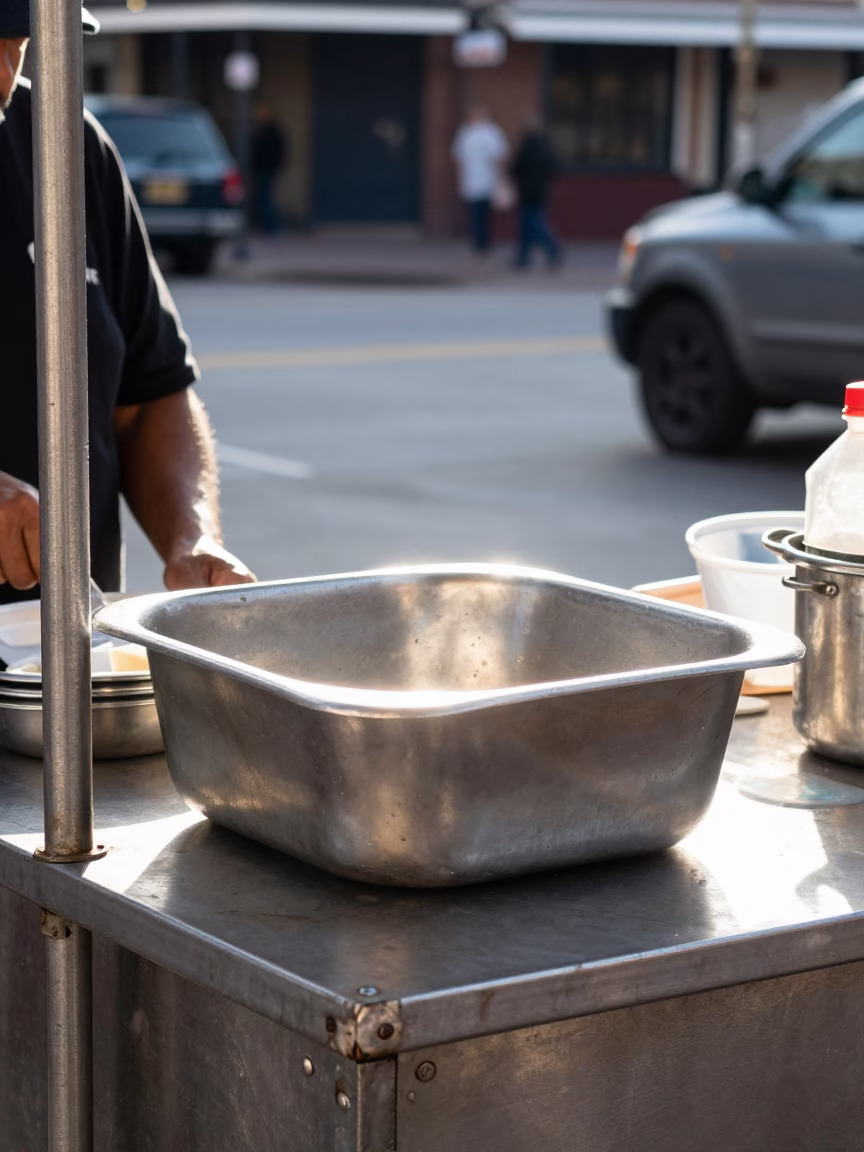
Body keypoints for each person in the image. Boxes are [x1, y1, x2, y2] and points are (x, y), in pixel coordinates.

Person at [0, 6, 255, 605]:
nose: (2, 73)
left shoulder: (68, 150)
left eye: (16, 42)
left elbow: (148, 399)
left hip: (56, 666)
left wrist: (192, 539)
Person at [451, 105, 508, 257]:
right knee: (475, 215)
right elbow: (459, 157)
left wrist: (500, 178)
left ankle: (484, 244)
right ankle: (479, 245)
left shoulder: (491, 133)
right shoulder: (466, 133)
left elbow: (499, 157)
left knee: (484, 215)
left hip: (487, 181)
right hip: (472, 181)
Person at [511, 117, 561, 270]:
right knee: (527, 225)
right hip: (539, 190)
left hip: (528, 191)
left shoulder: (528, 145)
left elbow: (517, 167)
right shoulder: (544, 144)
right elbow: (553, 167)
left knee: (533, 224)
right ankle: (523, 257)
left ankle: (553, 249)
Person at [251, 105, 286, 235]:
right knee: (262, 198)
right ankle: (265, 225)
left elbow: (276, 151)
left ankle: (270, 226)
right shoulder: (262, 131)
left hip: (267, 169)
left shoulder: (271, 132)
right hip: (261, 169)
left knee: (266, 199)